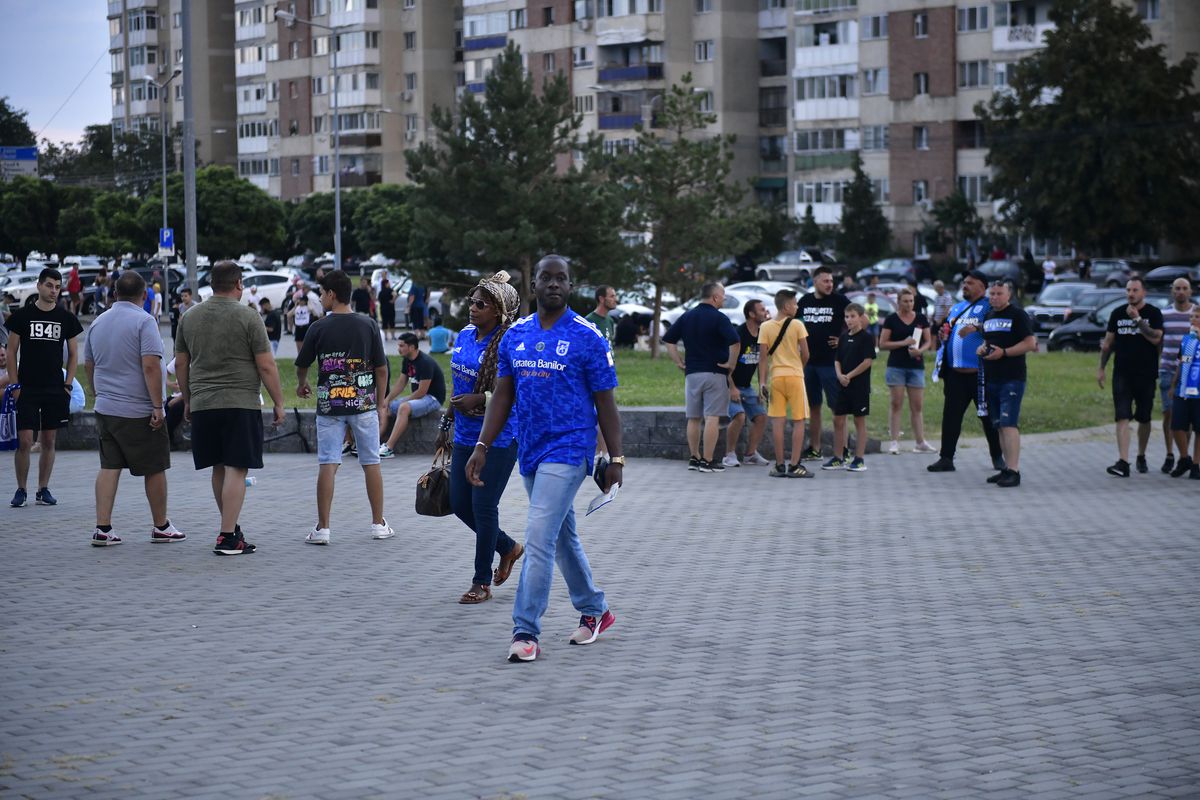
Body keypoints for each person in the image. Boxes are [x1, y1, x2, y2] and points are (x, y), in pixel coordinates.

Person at [465, 255, 621, 663]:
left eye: (562, 278)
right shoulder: (515, 335)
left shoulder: (587, 337)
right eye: (546, 278)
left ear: (572, 286)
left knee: (537, 538)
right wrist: (482, 446)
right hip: (530, 450)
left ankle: (525, 630)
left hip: (570, 450)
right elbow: (502, 395)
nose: (554, 284)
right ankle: (595, 610)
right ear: (533, 285)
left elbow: (606, 402)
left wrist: (615, 457)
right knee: (561, 537)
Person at [175, 261, 286, 555]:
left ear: (212, 284)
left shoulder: (189, 316)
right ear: (239, 284)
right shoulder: (249, 317)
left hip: (203, 403)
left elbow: (182, 363)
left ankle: (231, 528)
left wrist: (188, 398)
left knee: (218, 467)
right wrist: (279, 402)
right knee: (237, 467)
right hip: (239, 403)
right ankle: (227, 536)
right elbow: (266, 363)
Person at [435, 273, 524, 604]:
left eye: (480, 304)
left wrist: (482, 401)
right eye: (471, 301)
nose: (472, 308)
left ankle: (481, 582)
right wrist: (447, 419)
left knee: (484, 507)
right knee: (459, 504)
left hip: (500, 438)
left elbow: (513, 392)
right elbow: (458, 383)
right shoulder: (464, 335)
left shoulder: (510, 344)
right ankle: (509, 547)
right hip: (465, 435)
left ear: (499, 310)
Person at [82, 270, 185, 546]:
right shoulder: (144, 321)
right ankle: (161, 525)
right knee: (154, 466)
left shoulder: (98, 323)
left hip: (106, 407)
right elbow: (151, 365)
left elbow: (89, 363)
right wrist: (157, 406)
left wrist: (96, 391)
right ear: (144, 296)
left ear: (114, 294)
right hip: (138, 409)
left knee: (109, 465)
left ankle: (103, 528)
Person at [295, 270, 394, 545]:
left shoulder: (318, 328)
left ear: (332, 294)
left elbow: (302, 364)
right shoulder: (368, 324)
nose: (320, 298)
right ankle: (378, 524)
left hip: (329, 406)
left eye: (322, 293)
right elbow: (382, 368)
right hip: (363, 403)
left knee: (328, 463)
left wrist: (302, 383)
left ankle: (323, 528)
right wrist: (381, 400)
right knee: (371, 462)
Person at [4, 268, 83, 508]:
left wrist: (68, 384)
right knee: (25, 440)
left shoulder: (66, 318)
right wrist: (14, 384)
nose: (53, 291)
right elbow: (10, 352)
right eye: (49, 286)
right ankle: (21, 489)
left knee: (49, 440)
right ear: (39, 286)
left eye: (58, 287)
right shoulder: (22, 316)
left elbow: (73, 354)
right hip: (27, 387)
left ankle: (43, 488)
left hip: (55, 389)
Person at [927, 269, 1005, 474]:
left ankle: (998, 457)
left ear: (982, 286)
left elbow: (997, 328)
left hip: (980, 374)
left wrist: (977, 328)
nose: (965, 285)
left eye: (970, 282)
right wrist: (945, 334)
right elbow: (948, 332)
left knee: (987, 417)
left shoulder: (989, 306)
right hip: (956, 375)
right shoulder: (957, 308)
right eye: (964, 282)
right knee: (951, 417)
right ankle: (946, 458)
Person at [662, 282, 739, 473]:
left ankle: (694, 457)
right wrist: (731, 364)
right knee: (712, 417)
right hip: (715, 373)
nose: (724, 298)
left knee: (694, 417)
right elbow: (735, 341)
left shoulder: (687, 316)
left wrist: (679, 362)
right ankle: (708, 460)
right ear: (714, 297)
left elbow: (669, 340)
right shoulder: (720, 318)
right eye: (723, 295)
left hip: (693, 374)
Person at [1098, 276, 1164, 477]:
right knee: (1122, 415)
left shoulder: (1153, 313)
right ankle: (1123, 461)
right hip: (1122, 373)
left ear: (1143, 292)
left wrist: (1137, 319)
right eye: (1128, 290)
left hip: (1146, 373)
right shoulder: (1117, 313)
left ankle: (1141, 455)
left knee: (1144, 416)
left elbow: (1155, 338)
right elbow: (1108, 343)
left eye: (1135, 290)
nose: (1131, 294)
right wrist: (1101, 368)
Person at [976, 280, 1037, 488]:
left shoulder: (1018, 315)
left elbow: (1031, 343)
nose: (994, 297)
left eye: (999, 293)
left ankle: (1014, 470)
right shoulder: (989, 316)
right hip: (992, 378)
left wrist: (1005, 353)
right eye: (991, 293)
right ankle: (1005, 469)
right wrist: (982, 350)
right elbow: (988, 342)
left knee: (1008, 423)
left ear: (1008, 295)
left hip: (1012, 378)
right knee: (999, 426)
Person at [757, 289, 813, 478]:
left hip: (776, 377)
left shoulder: (765, 327)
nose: (797, 307)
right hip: (795, 376)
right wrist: (799, 367)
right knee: (799, 421)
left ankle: (780, 464)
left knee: (778, 422)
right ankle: (795, 465)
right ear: (787, 306)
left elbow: (762, 358)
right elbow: (806, 354)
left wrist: (762, 382)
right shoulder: (797, 324)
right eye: (795, 304)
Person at [796, 266, 850, 461]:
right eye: (826, 281)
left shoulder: (839, 300)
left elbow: (862, 320)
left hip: (831, 363)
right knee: (814, 407)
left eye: (831, 281)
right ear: (815, 281)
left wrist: (844, 339)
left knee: (837, 408)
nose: (830, 285)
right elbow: (795, 324)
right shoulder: (805, 301)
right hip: (809, 363)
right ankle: (815, 448)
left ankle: (843, 449)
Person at [879, 287, 935, 454]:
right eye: (905, 301)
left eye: (911, 301)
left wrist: (920, 350)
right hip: (896, 366)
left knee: (917, 406)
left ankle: (920, 442)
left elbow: (927, 341)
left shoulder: (920, 318)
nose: (909, 304)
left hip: (916, 366)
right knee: (896, 404)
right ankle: (894, 442)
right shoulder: (891, 319)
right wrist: (903, 343)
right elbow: (882, 344)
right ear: (898, 302)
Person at [823, 303, 874, 472]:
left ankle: (859, 459)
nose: (849, 320)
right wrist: (839, 375)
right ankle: (839, 457)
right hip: (842, 385)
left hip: (859, 386)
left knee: (859, 420)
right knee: (838, 420)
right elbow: (837, 359)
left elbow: (867, 361)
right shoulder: (844, 337)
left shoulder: (866, 337)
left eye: (852, 316)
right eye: (847, 317)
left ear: (860, 317)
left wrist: (849, 376)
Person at [378, 332, 446, 458]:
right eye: (398, 346)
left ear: (412, 347)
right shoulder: (407, 360)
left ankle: (389, 448)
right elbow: (401, 382)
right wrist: (387, 400)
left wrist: (403, 401)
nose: (398, 349)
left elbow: (422, 391)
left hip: (432, 398)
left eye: (402, 346)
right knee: (386, 407)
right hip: (420, 397)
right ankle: (375, 443)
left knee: (404, 407)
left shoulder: (425, 362)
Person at [723, 298, 771, 468]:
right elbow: (725, 365)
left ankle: (750, 454)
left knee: (761, 416)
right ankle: (729, 455)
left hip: (746, 386)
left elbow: (762, 361)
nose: (765, 312)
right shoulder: (738, 335)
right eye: (761, 309)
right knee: (739, 416)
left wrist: (762, 385)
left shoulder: (762, 334)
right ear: (751, 314)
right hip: (727, 385)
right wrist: (732, 388)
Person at [1158, 278, 1195, 474]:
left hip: (1191, 374)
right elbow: (1158, 341)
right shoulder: (1165, 314)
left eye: (1184, 289)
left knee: (1187, 417)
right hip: (1168, 368)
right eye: (1177, 289)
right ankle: (1170, 453)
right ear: (1172, 292)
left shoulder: (1196, 314)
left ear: (1190, 292)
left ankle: (1185, 456)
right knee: (1169, 414)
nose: (1180, 292)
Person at [1166, 305, 1200, 479]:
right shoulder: (1187, 340)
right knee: (1177, 425)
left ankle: (1196, 463)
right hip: (1184, 389)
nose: (1193, 319)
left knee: (1198, 429)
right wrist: (1173, 384)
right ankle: (1184, 457)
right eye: (1192, 316)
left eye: (1197, 317)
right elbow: (1182, 362)